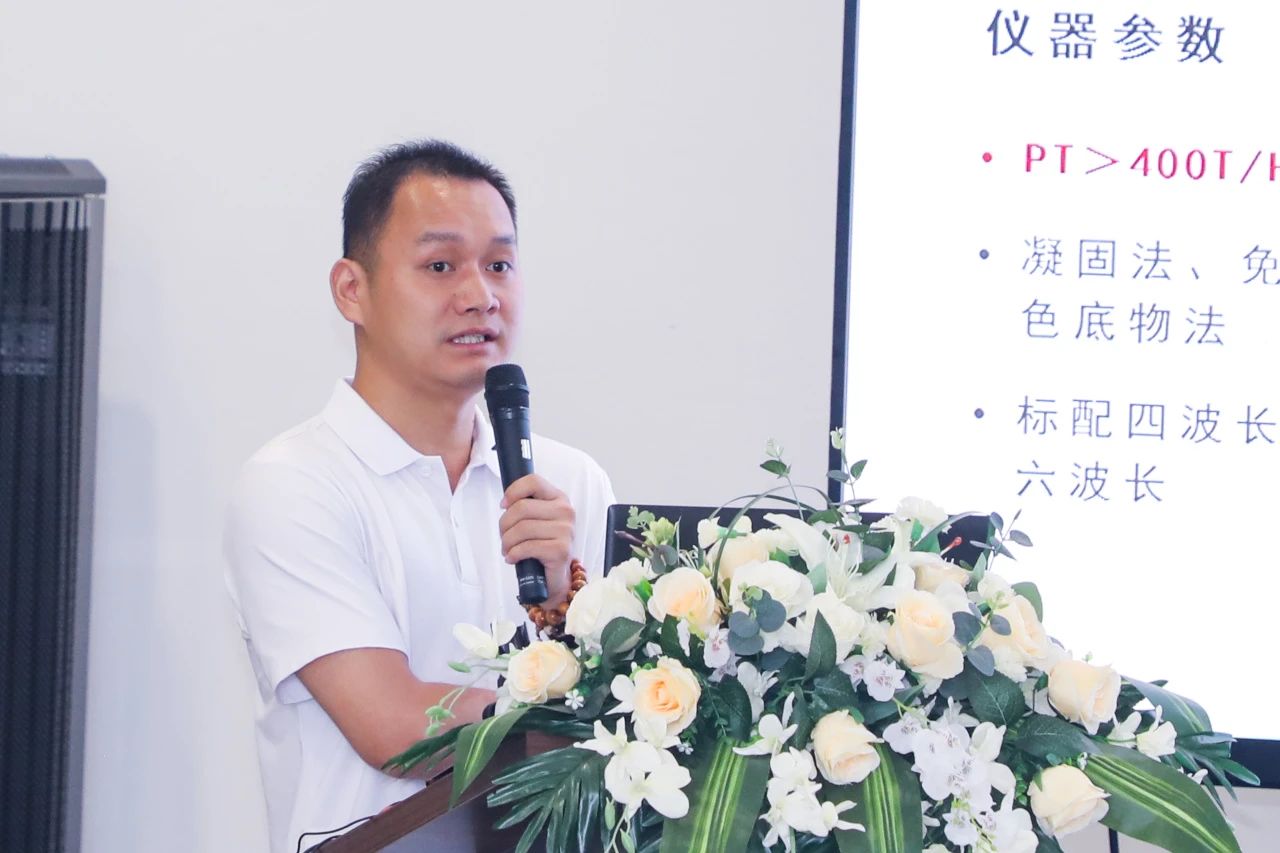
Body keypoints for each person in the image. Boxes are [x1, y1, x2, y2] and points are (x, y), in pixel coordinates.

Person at [222, 140, 615, 853]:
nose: (480, 295)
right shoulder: (293, 484)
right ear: (352, 290)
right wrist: (606, 716)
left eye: (499, 265)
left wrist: (566, 598)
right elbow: (398, 727)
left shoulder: (571, 482)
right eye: (441, 266)